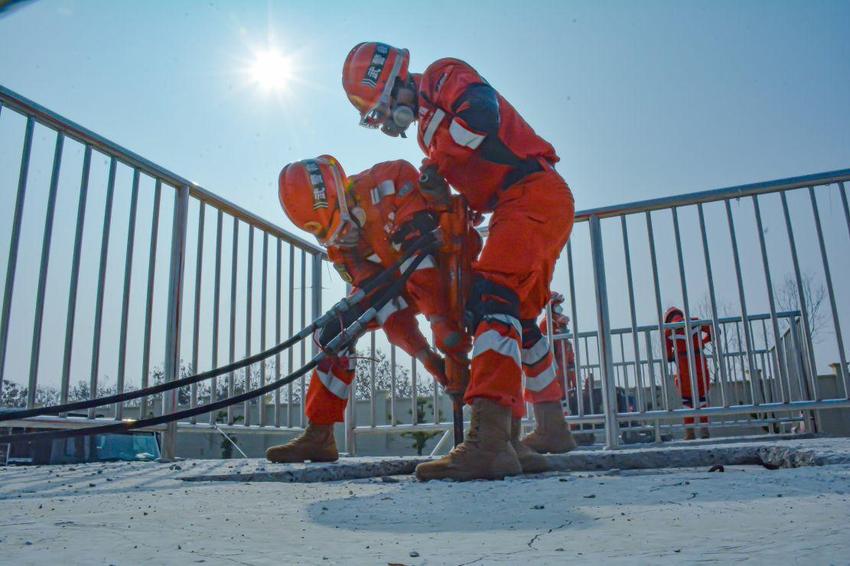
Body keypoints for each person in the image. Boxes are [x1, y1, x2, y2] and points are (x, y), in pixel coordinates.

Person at [342, 43, 576, 480]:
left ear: (393, 84)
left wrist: (440, 161)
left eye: (380, 112)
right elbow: (472, 190)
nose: (386, 126)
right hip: (516, 203)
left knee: (494, 299)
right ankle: (541, 431)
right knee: (515, 320)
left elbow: (481, 115)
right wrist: (443, 198)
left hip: (532, 193)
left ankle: (489, 443)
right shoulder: (428, 134)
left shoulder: (440, 76)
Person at [267, 155, 468, 463]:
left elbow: (424, 268)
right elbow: (384, 305)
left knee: (490, 318)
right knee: (333, 332)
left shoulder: (391, 180)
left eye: (342, 224)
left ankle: (494, 432)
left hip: (452, 268)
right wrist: (430, 360)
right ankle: (319, 435)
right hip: (401, 283)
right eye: (330, 235)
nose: (343, 238)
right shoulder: (341, 250)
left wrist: (447, 341)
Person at [522, 292, 578, 454]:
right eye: (556, 306)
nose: (559, 309)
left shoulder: (556, 325)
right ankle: (553, 431)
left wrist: (572, 376)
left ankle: (553, 431)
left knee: (563, 403)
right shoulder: (547, 324)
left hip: (560, 374)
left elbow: (567, 353)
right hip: (555, 372)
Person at [664, 306, 713, 440]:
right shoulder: (695, 321)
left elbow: (667, 355)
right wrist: (701, 342)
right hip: (699, 363)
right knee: (702, 396)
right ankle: (704, 431)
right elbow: (714, 331)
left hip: (683, 366)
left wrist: (674, 353)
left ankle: (690, 433)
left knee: (687, 399)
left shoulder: (668, 331)